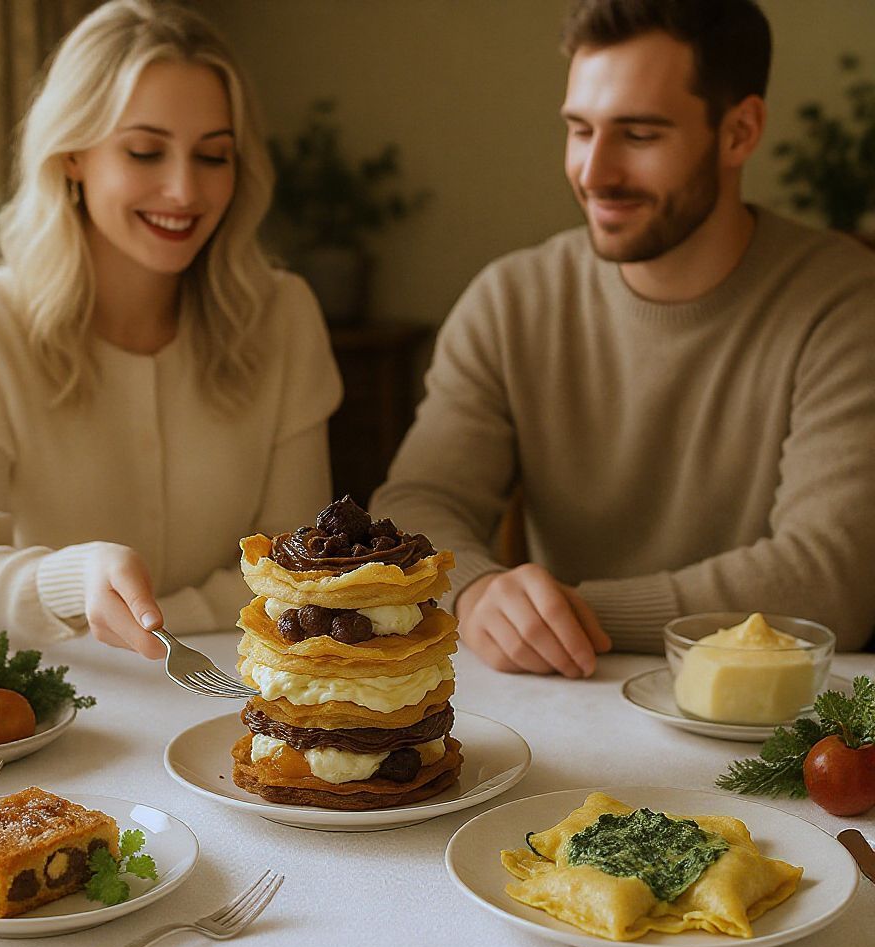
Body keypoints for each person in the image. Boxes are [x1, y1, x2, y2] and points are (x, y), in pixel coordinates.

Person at [372, 0, 875, 677]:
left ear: (740, 132)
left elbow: (830, 579)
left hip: (774, 710)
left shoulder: (846, 302)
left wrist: (568, 615)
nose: (594, 172)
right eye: (580, 130)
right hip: (566, 696)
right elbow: (416, 503)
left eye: (638, 135)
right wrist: (479, 591)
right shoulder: (510, 300)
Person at [0, 0, 341, 660]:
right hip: (51, 704)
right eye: (144, 151)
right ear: (71, 155)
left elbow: (300, 565)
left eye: (213, 156)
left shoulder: (284, 317)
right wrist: (73, 580)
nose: (184, 190)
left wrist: (163, 624)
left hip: (239, 685)